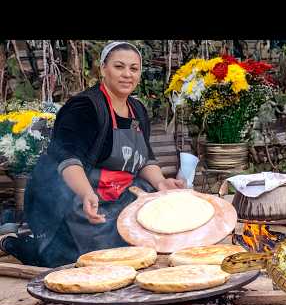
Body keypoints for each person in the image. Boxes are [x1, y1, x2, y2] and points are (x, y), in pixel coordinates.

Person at [0, 41, 185, 267]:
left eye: (134, 68)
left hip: (116, 194)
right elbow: (68, 158)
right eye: (119, 67)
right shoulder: (84, 107)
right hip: (71, 195)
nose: (127, 74)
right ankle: (21, 245)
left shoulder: (137, 109)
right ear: (103, 69)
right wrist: (87, 194)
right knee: (84, 261)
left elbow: (145, 158)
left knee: (149, 232)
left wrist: (161, 182)